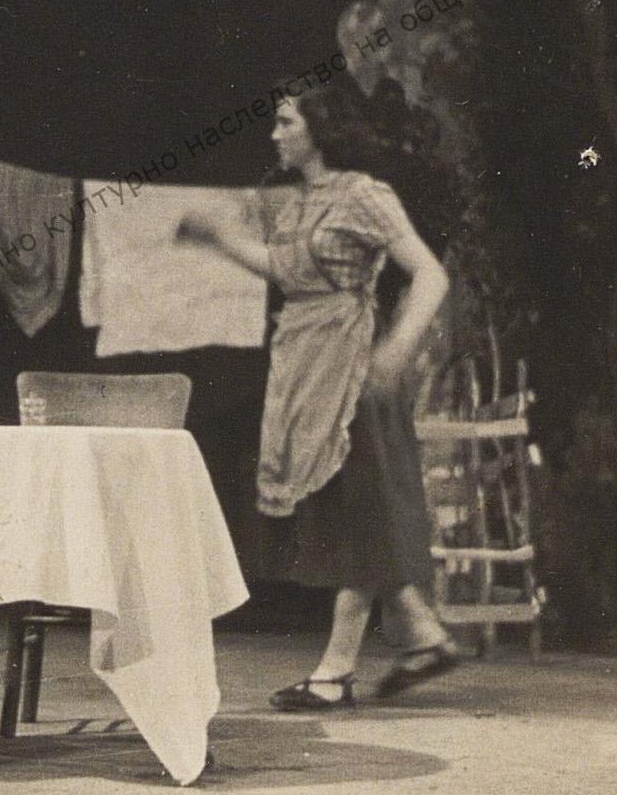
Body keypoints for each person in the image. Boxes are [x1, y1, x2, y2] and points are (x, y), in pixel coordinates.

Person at [180, 81, 458, 709]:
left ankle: (336, 671)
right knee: (346, 511)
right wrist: (218, 238)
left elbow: (430, 274)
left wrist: (396, 348)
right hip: (304, 362)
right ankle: (423, 635)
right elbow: (285, 271)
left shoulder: (364, 195)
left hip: (350, 366)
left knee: (357, 510)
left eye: (285, 122)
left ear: (320, 127)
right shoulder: (302, 202)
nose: (275, 134)